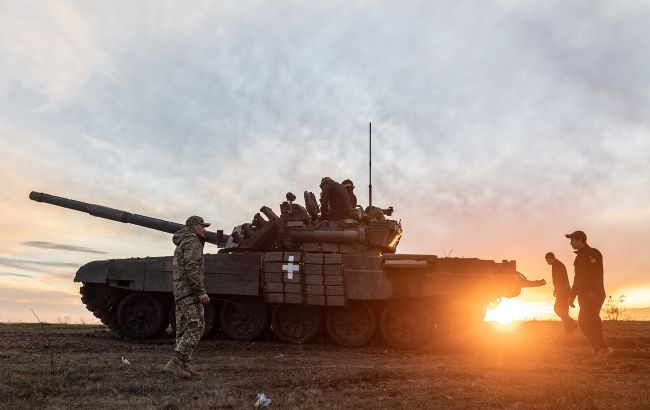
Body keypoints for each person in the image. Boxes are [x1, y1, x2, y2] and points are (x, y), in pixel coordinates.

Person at [164, 215, 211, 378]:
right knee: (197, 325)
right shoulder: (192, 241)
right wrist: (200, 291)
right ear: (194, 226)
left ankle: (183, 365)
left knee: (183, 328)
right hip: (189, 291)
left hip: (180, 290)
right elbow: (191, 266)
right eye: (202, 226)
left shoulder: (183, 241)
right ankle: (176, 363)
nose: (204, 229)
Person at [565, 230, 612, 362]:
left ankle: (602, 350)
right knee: (587, 322)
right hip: (584, 295)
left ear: (581, 240)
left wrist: (592, 291)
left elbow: (596, 274)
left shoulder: (593, 253)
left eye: (572, 240)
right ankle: (599, 350)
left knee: (587, 321)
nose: (570, 243)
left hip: (593, 294)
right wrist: (571, 295)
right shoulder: (578, 257)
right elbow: (577, 279)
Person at [545, 252, 577, 335]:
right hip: (564, 291)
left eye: (546, 260)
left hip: (563, 291)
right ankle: (569, 331)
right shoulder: (558, 264)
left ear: (550, 258)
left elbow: (558, 279)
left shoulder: (557, 265)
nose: (546, 262)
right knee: (564, 311)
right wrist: (555, 290)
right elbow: (558, 279)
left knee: (557, 309)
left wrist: (557, 290)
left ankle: (572, 323)